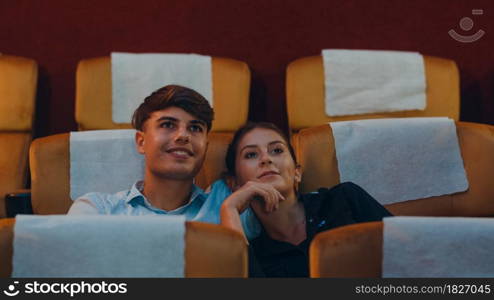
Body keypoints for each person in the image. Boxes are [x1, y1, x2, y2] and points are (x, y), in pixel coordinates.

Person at [68, 85, 258, 238]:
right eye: (168, 125)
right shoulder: (98, 209)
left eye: (195, 128)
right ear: (141, 142)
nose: (183, 136)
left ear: (206, 147)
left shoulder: (230, 209)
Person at [220, 122, 392, 277]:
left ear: (297, 172)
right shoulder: (254, 253)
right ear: (234, 182)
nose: (266, 159)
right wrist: (229, 209)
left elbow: (410, 249)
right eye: (251, 155)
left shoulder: (344, 198)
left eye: (277, 150)